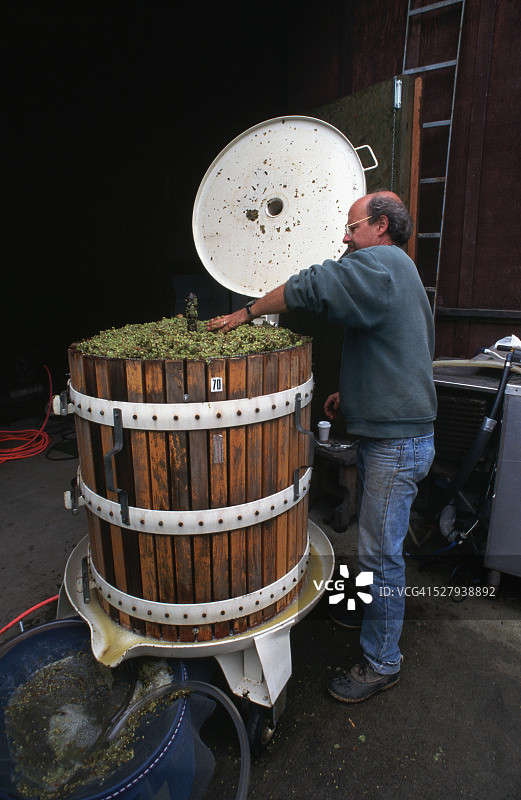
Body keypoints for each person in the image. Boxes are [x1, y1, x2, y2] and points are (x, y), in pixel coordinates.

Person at [207, 190, 437, 702]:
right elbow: (398, 349)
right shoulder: (400, 271)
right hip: (404, 435)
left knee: (381, 556)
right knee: (378, 547)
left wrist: (245, 313)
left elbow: (314, 286)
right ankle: (372, 626)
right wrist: (352, 395)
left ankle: (382, 662)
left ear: (379, 226)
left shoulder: (377, 263)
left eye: (352, 227)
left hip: (397, 446)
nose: (345, 237)